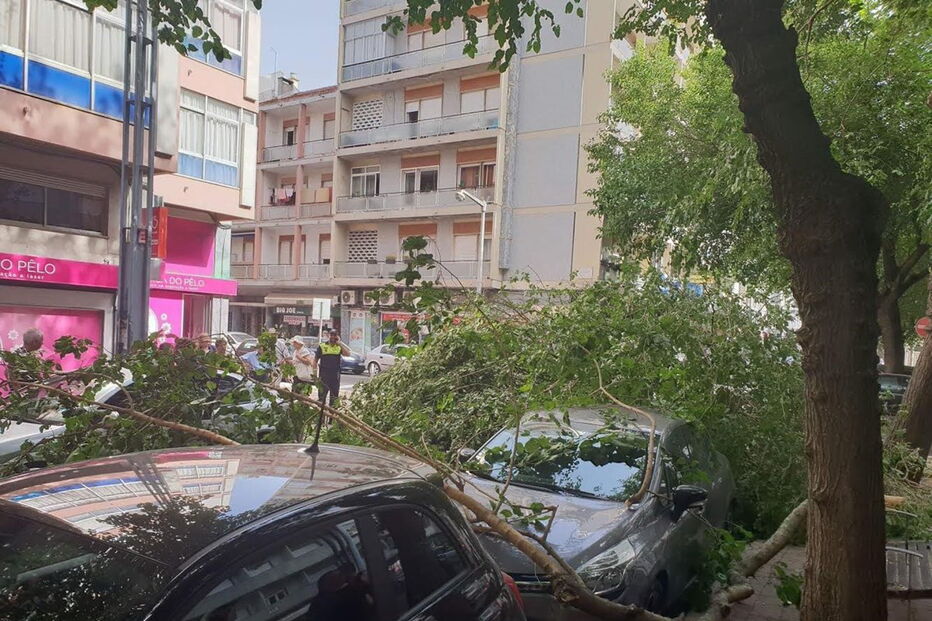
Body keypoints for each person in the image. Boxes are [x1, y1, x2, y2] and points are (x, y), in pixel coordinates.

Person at [314, 330, 349, 407]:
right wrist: (314, 372)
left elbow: (347, 354)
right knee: (322, 397)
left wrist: (340, 344)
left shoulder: (338, 347)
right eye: (331, 335)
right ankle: (321, 416)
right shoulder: (322, 346)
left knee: (334, 398)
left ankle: (332, 416)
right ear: (329, 335)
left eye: (335, 335)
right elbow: (315, 359)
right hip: (324, 375)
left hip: (335, 376)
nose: (333, 337)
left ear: (337, 336)